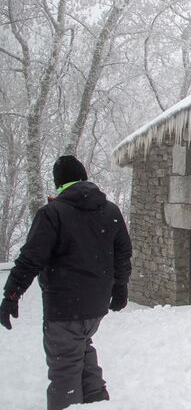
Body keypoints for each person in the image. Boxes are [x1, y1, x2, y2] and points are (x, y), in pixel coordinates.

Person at [1, 155, 132, 410]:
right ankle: (97, 401)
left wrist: (12, 295)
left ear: (59, 183)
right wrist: (120, 287)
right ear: (84, 177)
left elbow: (30, 258)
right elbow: (122, 254)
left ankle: (69, 404)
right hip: (95, 306)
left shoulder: (53, 214)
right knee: (81, 348)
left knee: (65, 367)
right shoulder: (110, 210)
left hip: (64, 306)